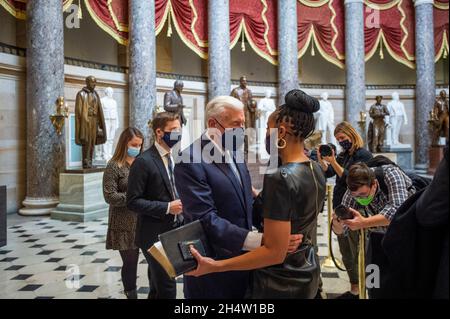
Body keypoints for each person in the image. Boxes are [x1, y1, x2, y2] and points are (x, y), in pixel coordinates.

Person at [185, 90, 326, 299]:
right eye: (237, 124)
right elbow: (205, 216)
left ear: (282, 131)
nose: (244, 130)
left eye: (268, 129)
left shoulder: (280, 176)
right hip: (303, 270)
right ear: (214, 124)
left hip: (278, 278)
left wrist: (216, 266)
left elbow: (273, 249)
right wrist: (257, 197)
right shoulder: (316, 168)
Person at [126, 112, 184, 299]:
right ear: (159, 132)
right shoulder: (143, 161)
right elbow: (133, 201)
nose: (178, 134)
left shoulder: (171, 157)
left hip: (172, 230)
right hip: (152, 234)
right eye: (173, 130)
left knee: (157, 285)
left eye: (179, 129)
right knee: (167, 286)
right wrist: (167, 207)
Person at [317, 121, 373, 299]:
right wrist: (324, 161)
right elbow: (329, 174)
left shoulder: (363, 154)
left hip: (356, 208)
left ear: (351, 134)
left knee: (356, 248)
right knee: (345, 250)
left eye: (342, 138)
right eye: (338, 139)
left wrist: (333, 161)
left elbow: (351, 178)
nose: (341, 141)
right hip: (340, 206)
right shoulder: (343, 155)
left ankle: (364, 288)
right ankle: (354, 286)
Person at [103, 127, 144, 299]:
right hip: (123, 222)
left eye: (140, 145)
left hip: (143, 219)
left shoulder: (142, 162)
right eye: (134, 144)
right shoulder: (114, 165)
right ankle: (131, 294)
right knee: (130, 261)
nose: (137, 148)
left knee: (154, 260)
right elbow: (109, 195)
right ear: (124, 143)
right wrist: (132, 198)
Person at [75, 75, 107, 168]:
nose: (94, 84)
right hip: (86, 121)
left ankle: (90, 161)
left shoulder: (95, 94)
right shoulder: (81, 94)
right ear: (87, 82)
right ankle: (85, 162)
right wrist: (87, 114)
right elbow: (79, 111)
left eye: (95, 82)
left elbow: (98, 109)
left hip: (94, 121)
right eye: (92, 82)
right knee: (86, 142)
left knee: (92, 142)